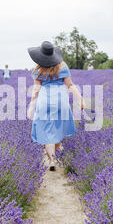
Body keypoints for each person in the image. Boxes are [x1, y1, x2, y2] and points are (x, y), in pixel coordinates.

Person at [27, 41, 85, 171]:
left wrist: (31, 106)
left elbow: (36, 89)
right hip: (60, 102)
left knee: (47, 132)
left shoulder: (38, 69)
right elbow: (70, 85)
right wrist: (80, 99)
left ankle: (52, 160)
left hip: (44, 102)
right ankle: (54, 152)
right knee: (58, 131)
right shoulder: (63, 67)